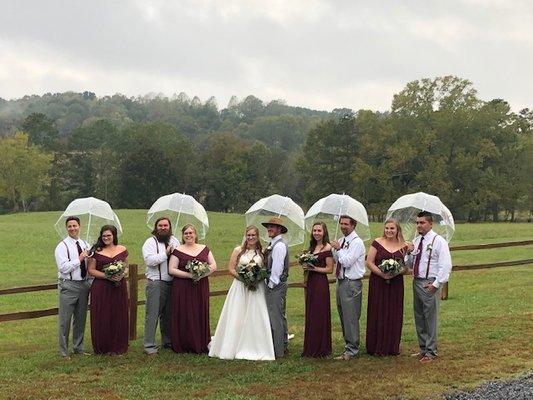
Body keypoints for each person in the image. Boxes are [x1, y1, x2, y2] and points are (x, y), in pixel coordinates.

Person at [209, 226, 275, 360]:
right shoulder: (238, 250)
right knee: (237, 314)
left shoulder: (262, 251)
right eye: (248, 235)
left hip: (257, 288)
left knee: (256, 315)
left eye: (253, 235)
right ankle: (232, 344)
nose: (250, 238)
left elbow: (265, 270)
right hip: (240, 287)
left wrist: (256, 279)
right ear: (245, 236)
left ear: (257, 236)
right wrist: (244, 279)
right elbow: (231, 269)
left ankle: (255, 345)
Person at [406, 211, 452, 363]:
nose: (419, 225)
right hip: (416, 280)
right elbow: (410, 264)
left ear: (430, 223)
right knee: (419, 316)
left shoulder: (439, 241)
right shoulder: (416, 240)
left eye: (422, 222)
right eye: (417, 223)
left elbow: (445, 265)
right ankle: (423, 348)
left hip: (430, 282)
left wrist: (437, 284)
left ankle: (431, 351)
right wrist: (409, 252)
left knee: (430, 317)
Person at [168, 224, 217, 353]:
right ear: (183, 236)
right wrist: (190, 275)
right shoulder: (178, 250)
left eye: (191, 233)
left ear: (196, 234)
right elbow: (172, 269)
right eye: (186, 233)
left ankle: (201, 341)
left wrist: (201, 275)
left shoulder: (204, 248)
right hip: (182, 287)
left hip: (200, 285)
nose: (189, 235)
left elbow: (213, 265)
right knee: (185, 312)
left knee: (199, 310)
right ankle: (184, 343)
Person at [365, 219, 409, 356]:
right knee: (377, 310)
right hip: (378, 282)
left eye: (392, 228)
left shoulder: (404, 246)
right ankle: (375, 345)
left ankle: (391, 346)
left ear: (397, 230)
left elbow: (406, 268)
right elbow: (369, 262)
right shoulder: (377, 242)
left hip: (395, 284)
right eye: (387, 228)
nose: (389, 231)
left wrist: (396, 271)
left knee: (393, 311)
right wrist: (382, 274)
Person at [87, 225, 129, 355]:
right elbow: (91, 270)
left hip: (118, 286)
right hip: (101, 288)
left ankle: (119, 345)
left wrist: (122, 274)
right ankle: (103, 346)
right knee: (103, 315)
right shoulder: (96, 251)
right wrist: (107, 276)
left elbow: (126, 265)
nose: (106, 238)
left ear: (114, 236)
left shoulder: (122, 249)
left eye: (109, 235)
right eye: (104, 236)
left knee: (118, 314)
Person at [54, 216, 92, 359]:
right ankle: (64, 352)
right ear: (66, 228)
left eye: (75, 226)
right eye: (69, 226)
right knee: (65, 320)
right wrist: (80, 259)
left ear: (79, 226)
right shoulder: (62, 246)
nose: (72, 228)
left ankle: (78, 348)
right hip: (68, 286)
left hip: (83, 285)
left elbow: (89, 264)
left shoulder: (84, 244)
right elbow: (63, 268)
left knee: (80, 318)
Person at [141, 217, 180, 355]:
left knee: (169, 314)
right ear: (156, 227)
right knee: (152, 314)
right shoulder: (150, 242)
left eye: (166, 225)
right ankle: (149, 345)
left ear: (170, 227)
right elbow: (149, 261)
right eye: (160, 226)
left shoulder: (175, 241)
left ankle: (167, 341)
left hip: (173, 282)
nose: (163, 228)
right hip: (156, 282)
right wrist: (165, 254)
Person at [331, 215, 366, 360]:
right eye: (341, 223)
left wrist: (338, 249)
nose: (343, 226)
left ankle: (352, 349)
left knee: (350, 316)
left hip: (351, 282)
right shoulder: (341, 241)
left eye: (346, 224)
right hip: (341, 281)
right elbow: (336, 260)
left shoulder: (357, 243)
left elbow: (347, 262)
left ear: (353, 225)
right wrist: (335, 249)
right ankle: (348, 345)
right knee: (342, 314)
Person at [302, 222, 334, 358]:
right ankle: (311, 346)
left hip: (320, 283)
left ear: (324, 232)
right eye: (314, 230)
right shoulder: (312, 247)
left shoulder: (328, 248)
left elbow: (330, 269)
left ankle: (322, 347)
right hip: (311, 282)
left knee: (320, 313)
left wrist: (313, 269)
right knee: (311, 313)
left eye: (319, 231)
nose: (316, 233)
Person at [262, 217, 290, 359]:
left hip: (276, 286)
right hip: (274, 285)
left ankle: (278, 351)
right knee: (279, 316)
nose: (269, 229)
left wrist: (270, 285)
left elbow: (277, 270)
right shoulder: (272, 244)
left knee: (276, 317)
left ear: (279, 229)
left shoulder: (279, 246)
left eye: (272, 227)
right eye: (268, 226)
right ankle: (283, 345)